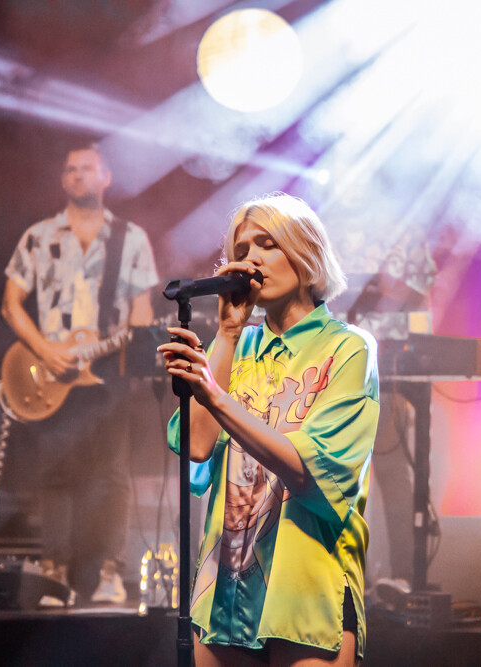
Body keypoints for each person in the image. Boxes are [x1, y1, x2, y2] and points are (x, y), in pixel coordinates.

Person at [158, 193, 379, 665]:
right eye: (241, 250)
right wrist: (227, 335)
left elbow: (306, 471)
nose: (251, 259)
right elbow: (196, 445)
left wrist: (215, 395)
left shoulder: (348, 349)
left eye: (267, 244)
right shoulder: (236, 345)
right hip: (223, 592)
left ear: (306, 254)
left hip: (305, 589)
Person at [2, 143, 159, 605]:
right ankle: (55, 574)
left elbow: (142, 311)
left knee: (111, 475)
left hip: (108, 373)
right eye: (70, 169)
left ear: (105, 176)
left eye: (87, 168)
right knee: (55, 473)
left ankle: (109, 572)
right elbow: (11, 304)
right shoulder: (38, 236)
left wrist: (139, 341)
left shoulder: (130, 238)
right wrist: (45, 351)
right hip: (51, 373)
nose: (77, 175)